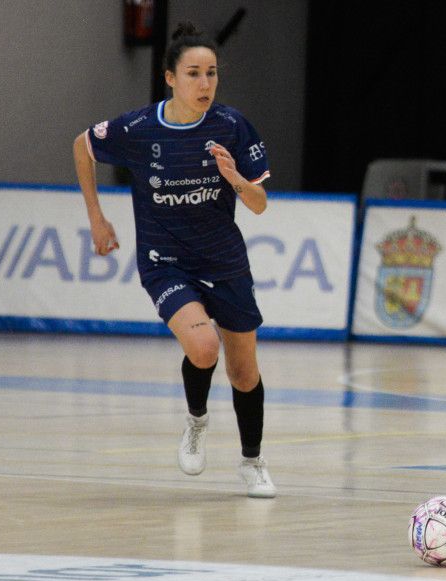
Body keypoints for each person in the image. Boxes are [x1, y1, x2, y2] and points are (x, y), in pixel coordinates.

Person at [73, 22, 276, 498]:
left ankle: (252, 462)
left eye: (211, 74)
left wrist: (235, 178)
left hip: (224, 260)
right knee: (204, 348)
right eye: (193, 74)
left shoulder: (231, 125)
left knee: (243, 370)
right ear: (170, 78)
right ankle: (196, 421)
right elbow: (82, 147)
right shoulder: (140, 128)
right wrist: (97, 218)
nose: (204, 83)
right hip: (165, 261)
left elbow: (260, 203)